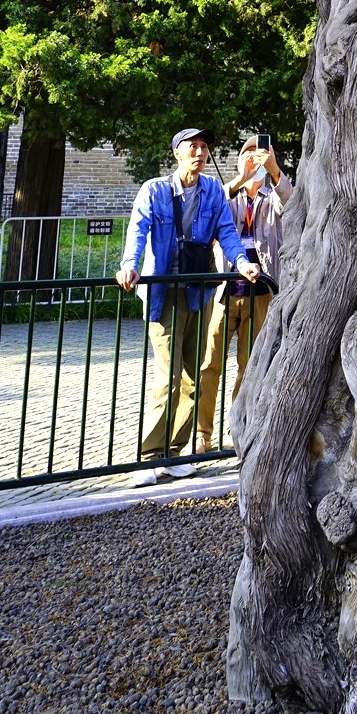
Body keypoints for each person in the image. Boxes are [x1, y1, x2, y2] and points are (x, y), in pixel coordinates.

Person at [117, 126, 260, 485]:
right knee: (168, 376)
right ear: (177, 153)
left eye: (203, 146)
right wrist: (130, 265)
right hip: (164, 292)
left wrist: (242, 263)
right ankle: (149, 457)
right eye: (191, 146)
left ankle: (174, 453)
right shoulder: (155, 190)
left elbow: (227, 232)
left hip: (199, 291)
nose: (199, 152)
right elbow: (138, 230)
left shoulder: (212, 190)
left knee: (193, 375)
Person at [195, 136, 289, 455]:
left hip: (261, 293)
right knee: (209, 363)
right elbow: (209, 209)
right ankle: (203, 433)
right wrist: (241, 179)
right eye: (248, 155)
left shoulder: (272, 196)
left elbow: (292, 205)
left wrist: (274, 172)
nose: (254, 161)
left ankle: (240, 425)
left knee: (250, 364)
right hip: (224, 292)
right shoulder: (227, 196)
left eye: (259, 155)